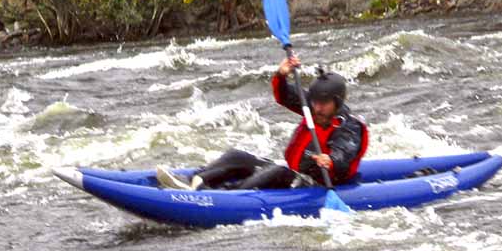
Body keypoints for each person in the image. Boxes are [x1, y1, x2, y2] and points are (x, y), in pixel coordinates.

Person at [157, 56, 368, 190]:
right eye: (315, 102)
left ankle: (223, 195)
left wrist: (330, 160)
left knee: (279, 172)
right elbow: (285, 96)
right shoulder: (314, 109)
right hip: (295, 172)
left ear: (337, 102)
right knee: (237, 155)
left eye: (323, 104)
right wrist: (281, 75)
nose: (317, 108)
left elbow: (343, 154)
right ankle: (193, 179)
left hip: (315, 184)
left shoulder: (349, 126)